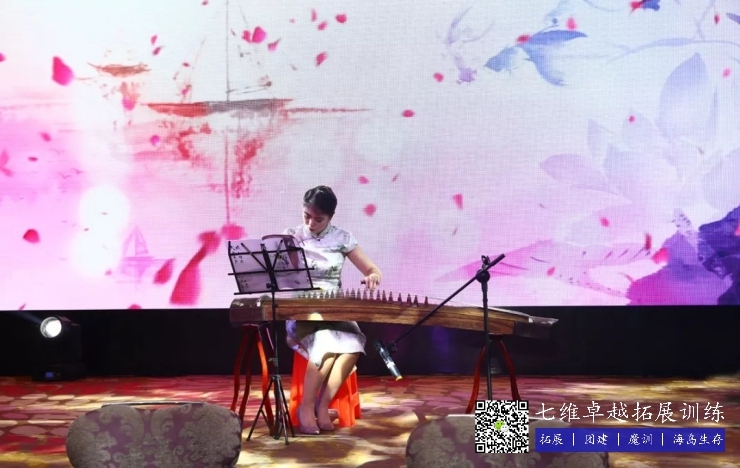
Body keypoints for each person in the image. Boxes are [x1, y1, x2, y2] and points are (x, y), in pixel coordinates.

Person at [282, 186, 382, 434]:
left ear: (330, 217)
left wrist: (372, 276)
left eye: (319, 219)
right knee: (326, 342)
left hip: (334, 310)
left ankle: (322, 404)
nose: (311, 223)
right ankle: (306, 406)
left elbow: (372, 270)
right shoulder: (291, 237)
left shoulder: (342, 238)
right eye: (307, 216)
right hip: (303, 311)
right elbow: (281, 276)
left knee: (355, 343)